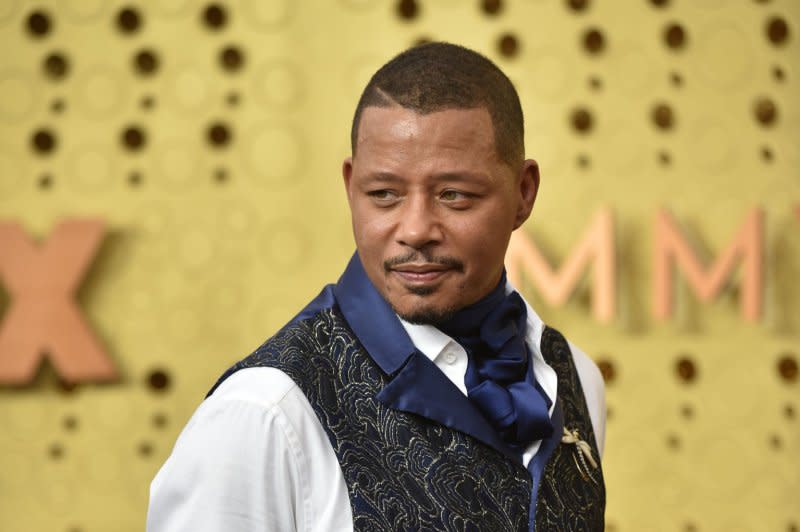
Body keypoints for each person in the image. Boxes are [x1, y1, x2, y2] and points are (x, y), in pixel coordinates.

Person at [147, 42, 606, 531]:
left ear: (524, 193)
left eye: (454, 195)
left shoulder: (576, 376)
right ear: (351, 187)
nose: (414, 229)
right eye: (383, 194)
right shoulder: (264, 413)